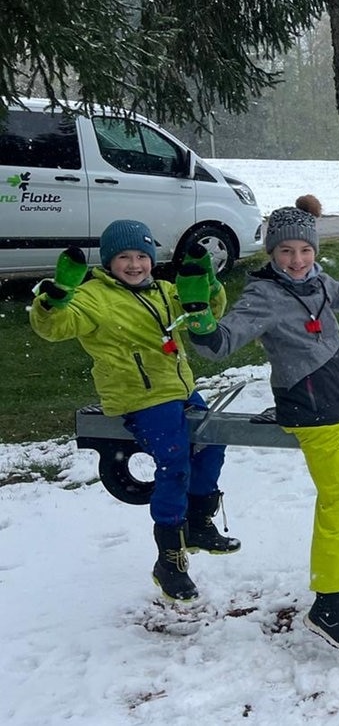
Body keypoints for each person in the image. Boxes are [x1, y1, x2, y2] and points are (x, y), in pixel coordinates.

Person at [187, 195, 339, 652]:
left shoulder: (318, 282)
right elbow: (220, 344)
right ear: (271, 254)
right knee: (337, 495)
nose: (297, 260)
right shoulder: (264, 295)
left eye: (304, 250)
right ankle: (330, 605)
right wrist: (202, 321)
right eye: (286, 252)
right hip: (307, 403)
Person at [29, 220, 236, 603]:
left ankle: (199, 521)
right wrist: (54, 299)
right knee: (174, 462)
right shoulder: (93, 297)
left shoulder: (164, 290)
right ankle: (169, 559)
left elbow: (206, 311)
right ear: (109, 261)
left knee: (213, 440)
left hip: (180, 388)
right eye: (124, 257)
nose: (135, 264)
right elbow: (55, 326)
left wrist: (206, 283)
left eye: (141, 256)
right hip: (138, 396)